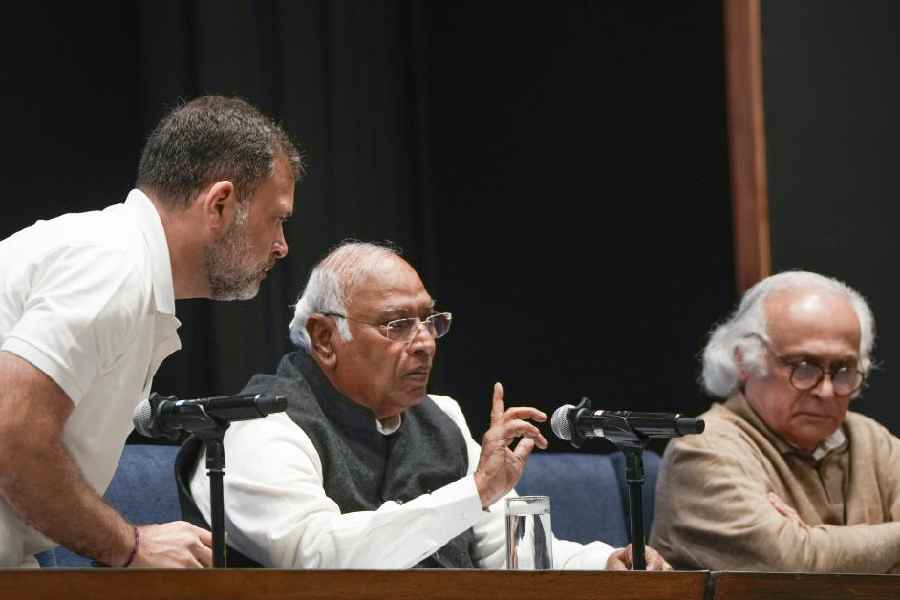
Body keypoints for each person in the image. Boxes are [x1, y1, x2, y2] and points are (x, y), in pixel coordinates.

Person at [185, 241, 670, 570]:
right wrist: (475, 490)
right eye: (397, 324)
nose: (424, 344)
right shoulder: (264, 423)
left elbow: (504, 551)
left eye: (429, 320)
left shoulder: (442, 418)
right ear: (326, 337)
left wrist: (601, 563)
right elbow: (318, 557)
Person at [0, 95, 304, 568]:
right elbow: (13, 433)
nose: (282, 246)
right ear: (220, 204)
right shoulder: (116, 267)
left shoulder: (120, 260)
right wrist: (131, 545)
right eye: (277, 218)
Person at [650, 270, 900, 572]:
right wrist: (804, 551)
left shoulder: (873, 440)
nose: (826, 390)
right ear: (744, 361)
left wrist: (810, 542)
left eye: (844, 369)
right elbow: (791, 569)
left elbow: (804, 559)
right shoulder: (701, 450)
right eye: (804, 367)